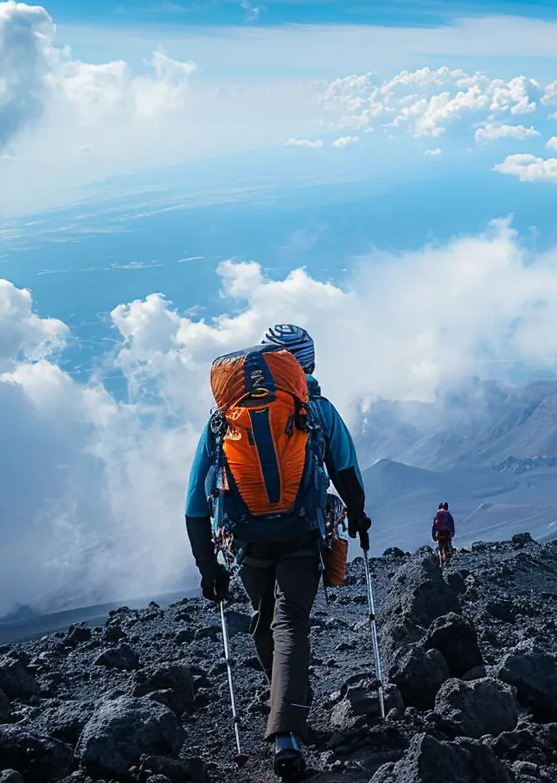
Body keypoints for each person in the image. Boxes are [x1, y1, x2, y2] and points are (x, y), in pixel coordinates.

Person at [184, 324, 369, 780]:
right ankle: (286, 732)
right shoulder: (319, 412)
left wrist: (208, 568)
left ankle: (285, 710)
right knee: (291, 623)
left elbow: (194, 500)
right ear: (306, 366)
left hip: (245, 541)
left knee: (265, 619)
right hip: (302, 535)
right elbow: (346, 471)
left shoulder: (221, 420)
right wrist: (359, 518)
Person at [432, 501, 455, 567]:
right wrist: (452, 533)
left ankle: (441, 561)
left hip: (439, 533)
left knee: (440, 546)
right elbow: (451, 524)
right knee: (449, 545)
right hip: (447, 532)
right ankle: (450, 559)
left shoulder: (436, 515)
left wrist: (434, 536)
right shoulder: (448, 514)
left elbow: (434, 526)